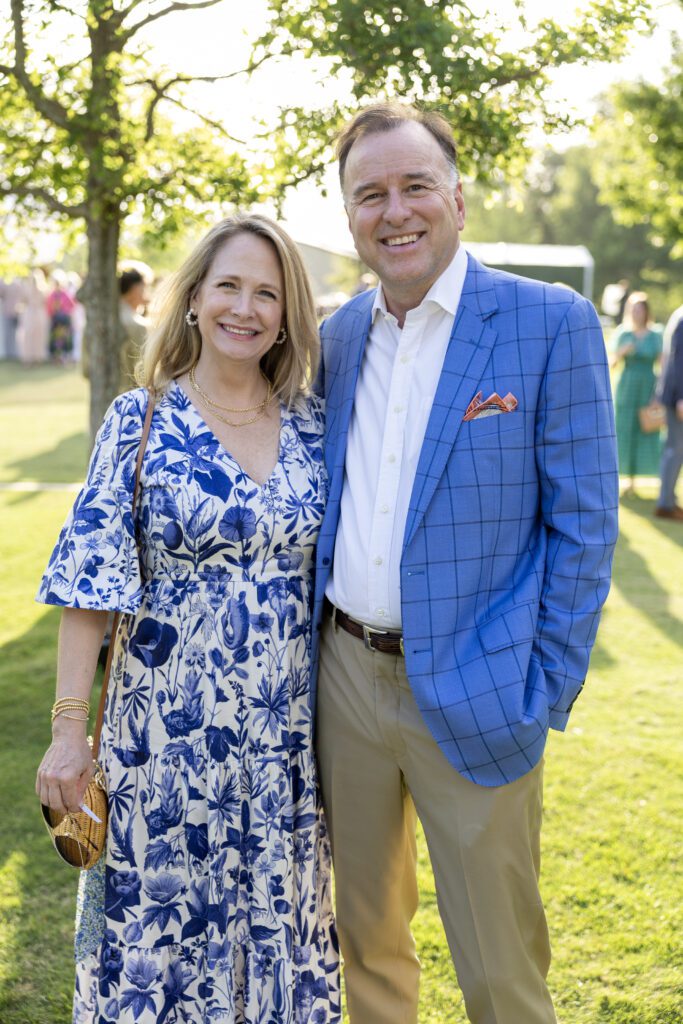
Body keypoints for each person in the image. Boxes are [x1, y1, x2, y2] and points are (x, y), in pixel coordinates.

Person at [311, 102, 619, 1024]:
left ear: (457, 195)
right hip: (343, 682)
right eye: (370, 194)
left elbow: (585, 524)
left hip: (484, 683)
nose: (394, 210)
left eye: (414, 186)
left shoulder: (548, 323)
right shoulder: (332, 340)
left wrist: (543, 685)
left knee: (499, 970)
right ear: (350, 216)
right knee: (364, 944)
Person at [36, 214, 340, 1024]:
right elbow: (88, 586)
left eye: (268, 293)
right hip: (161, 750)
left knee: (276, 948)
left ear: (288, 312)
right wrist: (71, 731)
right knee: (157, 953)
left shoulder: (313, 423)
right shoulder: (138, 421)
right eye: (230, 286)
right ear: (195, 297)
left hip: (286, 753)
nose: (247, 307)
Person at [610, 291, 663, 495]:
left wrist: (659, 393)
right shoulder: (623, 333)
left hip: (648, 387)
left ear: (646, 312)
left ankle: (644, 476)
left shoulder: (656, 334)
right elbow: (612, 364)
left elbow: (662, 364)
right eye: (634, 309)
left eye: (640, 309)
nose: (637, 313)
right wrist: (622, 352)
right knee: (624, 430)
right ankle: (625, 479)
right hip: (627, 387)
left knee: (646, 430)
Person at [654, 303, 683, 520]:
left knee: (676, 450)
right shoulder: (681, 319)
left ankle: (670, 500)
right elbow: (678, 362)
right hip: (677, 398)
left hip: (676, 397)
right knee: (674, 450)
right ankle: (665, 504)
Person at [119, 266, 150, 391]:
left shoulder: (100, 319)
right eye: (144, 288)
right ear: (135, 289)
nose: (146, 293)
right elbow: (145, 371)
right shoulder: (137, 325)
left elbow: (86, 369)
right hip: (130, 396)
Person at [17, 269, 50, 364]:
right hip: (30, 313)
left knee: (39, 336)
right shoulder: (27, 288)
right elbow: (22, 301)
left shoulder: (43, 289)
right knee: (28, 335)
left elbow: (45, 302)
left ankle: (38, 357)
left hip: (38, 313)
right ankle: (28, 357)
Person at [47, 271, 77, 361]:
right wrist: (53, 312)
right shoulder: (52, 294)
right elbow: (49, 307)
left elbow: (72, 304)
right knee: (56, 337)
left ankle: (65, 356)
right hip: (56, 320)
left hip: (64, 319)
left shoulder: (65, 293)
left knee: (64, 338)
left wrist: (65, 310)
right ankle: (56, 357)